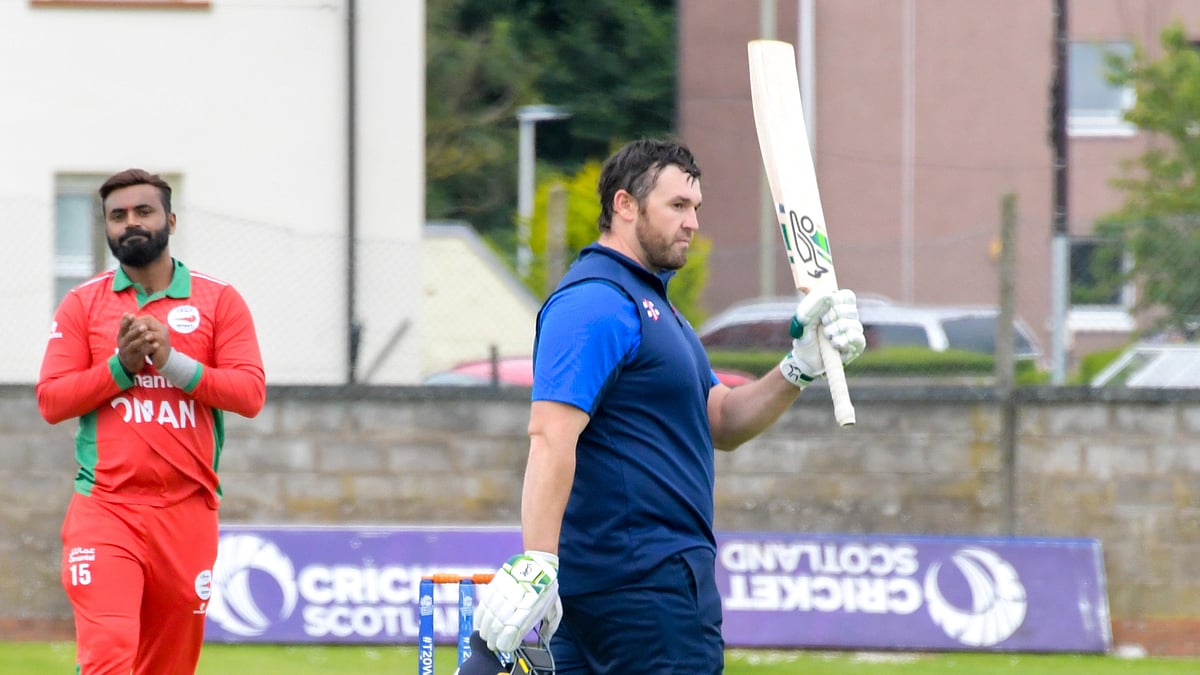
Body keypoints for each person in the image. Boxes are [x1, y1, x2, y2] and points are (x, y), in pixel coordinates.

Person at [473, 139, 865, 673]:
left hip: (647, 588)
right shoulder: (596, 300)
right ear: (624, 205)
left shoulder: (660, 310)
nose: (692, 222)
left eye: (695, 208)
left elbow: (721, 421)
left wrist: (798, 367)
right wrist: (537, 561)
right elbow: (549, 437)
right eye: (677, 206)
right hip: (640, 589)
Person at [36, 169, 266, 675]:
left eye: (144, 211)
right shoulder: (83, 304)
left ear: (170, 220)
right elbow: (52, 400)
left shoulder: (218, 300)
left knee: (168, 665)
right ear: (106, 228)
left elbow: (250, 394)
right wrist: (121, 367)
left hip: (187, 514)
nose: (130, 223)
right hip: (107, 507)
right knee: (109, 654)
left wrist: (171, 363)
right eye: (117, 216)